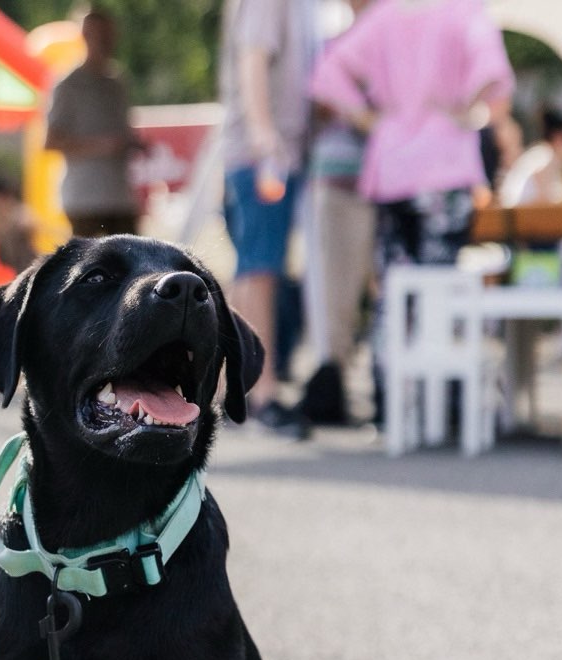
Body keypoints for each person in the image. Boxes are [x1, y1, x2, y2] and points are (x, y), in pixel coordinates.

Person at [310, 0, 514, 426]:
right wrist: (465, 111)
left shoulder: (384, 16)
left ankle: (391, 398)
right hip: (444, 164)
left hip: (391, 164)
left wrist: (368, 118)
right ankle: (440, 402)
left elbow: (328, 73)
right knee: (440, 286)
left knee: (395, 285)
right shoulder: (464, 13)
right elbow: (493, 74)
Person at [219, 0, 318, 439]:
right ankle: (263, 391)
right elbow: (253, 56)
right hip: (265, 154)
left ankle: (236, 387)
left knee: (250, 267)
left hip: (260, 150)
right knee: (261, 270)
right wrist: (264, 134)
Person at [300, 0, 376, 426]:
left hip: (387, 179)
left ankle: (382, 383)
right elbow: (318, 106)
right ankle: (332, 383)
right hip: (338, 177)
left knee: (380, 287)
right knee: (335, 288)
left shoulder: (392, 40)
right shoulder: (333, 45)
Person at [44, 10, 143, 238]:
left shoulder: (118, 83)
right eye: (99, 34)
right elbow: (50, 141)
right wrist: (102, 146)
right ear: (85, 35)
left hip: (120, 196)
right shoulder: (68, 85)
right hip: (85, 199)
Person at [499, 106, 562, 207]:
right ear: (559, 138)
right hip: (522, 218)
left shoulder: (542, 154)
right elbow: (547, 203)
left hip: (521, 217)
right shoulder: (544, 158)